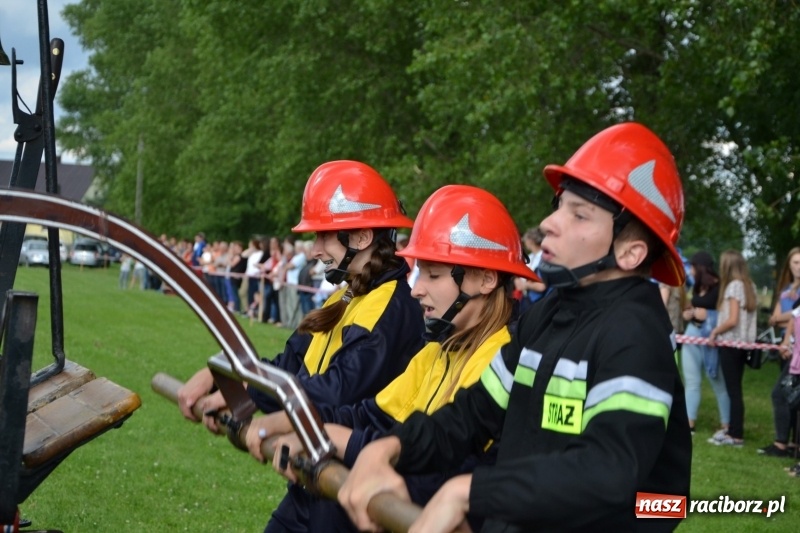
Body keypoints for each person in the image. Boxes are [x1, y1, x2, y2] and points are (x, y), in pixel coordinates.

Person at [338, 122, 692, 533]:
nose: (549, 223)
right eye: (559, 205)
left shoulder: (635, 333)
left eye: (579, 214)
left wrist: (467, 492)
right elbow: (472, 416)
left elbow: (607, 472)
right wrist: (390, 448)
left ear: (630, 252)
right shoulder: (548, 314)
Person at [245, 185, 540, 532]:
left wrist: (328, 435)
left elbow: (451, 465)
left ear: (486, 279)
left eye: (432, 274)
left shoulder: (500, 357)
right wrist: (303, 422)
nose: (416, 289)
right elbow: (372, 414)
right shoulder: (438, 348)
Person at [176, 160, 425, 443]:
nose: (315, 251)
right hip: (313, 466)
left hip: (350, 475)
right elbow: (290, 363)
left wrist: (248, 388)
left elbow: (336, 391)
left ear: (362, 237)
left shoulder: (391, 308)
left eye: (323, 236)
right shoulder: (345, 296)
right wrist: (226, 377)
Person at [708, 249, 758, 447]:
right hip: (743, 344)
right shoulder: (749, 285)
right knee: (735, 389)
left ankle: (736, 434)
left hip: (730, 342)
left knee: (733, 390)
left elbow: (732, 319)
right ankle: (732, 429)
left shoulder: (733, 287)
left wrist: (715, 332)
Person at [680, 251, 730, 437]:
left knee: (717, 381)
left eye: (692, 267)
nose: (690, 271)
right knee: (691, 380)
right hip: (692, 332)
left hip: (711, 338)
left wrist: (708, 315)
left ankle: (727, 425)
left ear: (700, 268)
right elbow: (692, 307)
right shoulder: (696, 286)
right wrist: (689, 313)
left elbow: (726, 315)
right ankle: (689, 422)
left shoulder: (720, 288)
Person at [769, 247, 800, 336]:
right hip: (784, 338)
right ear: (789, 265)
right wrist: (777, 320)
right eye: (796, 262)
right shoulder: (785, 289)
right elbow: (774, 320)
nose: (799, 267)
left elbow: (798, 312)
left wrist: (778, 319)